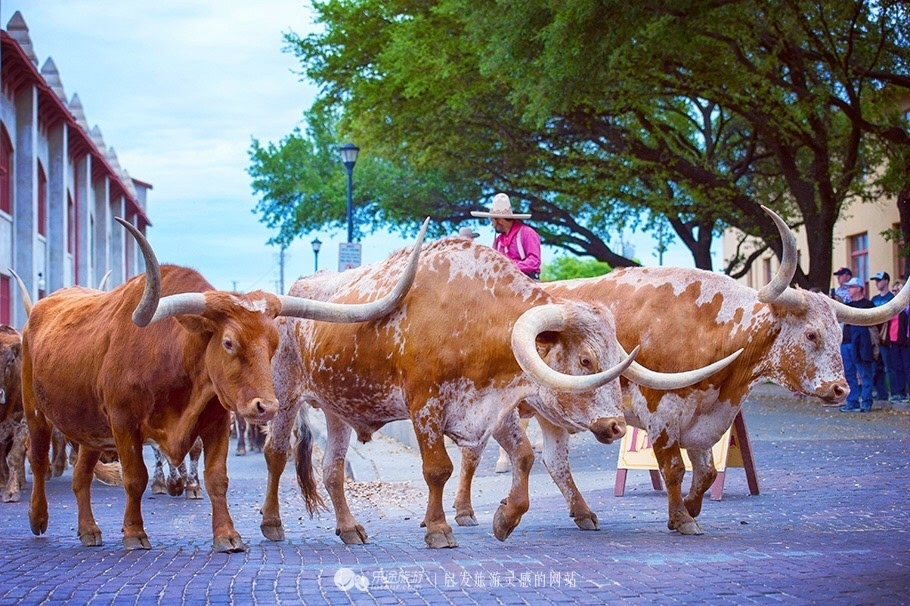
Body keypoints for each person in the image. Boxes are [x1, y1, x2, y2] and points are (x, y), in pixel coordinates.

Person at [470, 193, 542, 280]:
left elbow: (534, 261)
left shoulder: (527, 233)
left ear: (499, 220)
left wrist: (509, 267)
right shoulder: (498, 241)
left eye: (492, 220)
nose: (492, 224)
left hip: (529, 283)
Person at [840, 277, 876, 413]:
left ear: (859, 288)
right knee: (849, 374)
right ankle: (852, 401)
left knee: (865, 373)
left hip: (862, 344)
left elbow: (873, 323)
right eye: (848, 287)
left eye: (851, 287)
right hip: (846, 343)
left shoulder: (868, 305)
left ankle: (866, 401)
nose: (848, 290)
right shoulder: (847, 306)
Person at [880, 279, 909, 403]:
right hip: (893, 341)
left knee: (907, 367)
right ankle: (900, 392)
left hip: (905, 342)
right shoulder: (893, 306)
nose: (896, 293)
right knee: (897, 367)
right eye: (894, 290)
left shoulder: (907, 307)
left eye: (898, 290)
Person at [870, 271, 894, 400]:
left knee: (889, 366)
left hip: (887, 338)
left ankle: (895, 392)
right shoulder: (874, 299)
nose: (876, 283)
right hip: (875, 337)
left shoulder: (891, 298)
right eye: (875, 280)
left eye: (879, 280)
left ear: (886, 281)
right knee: (876, 367)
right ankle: (881, 392)